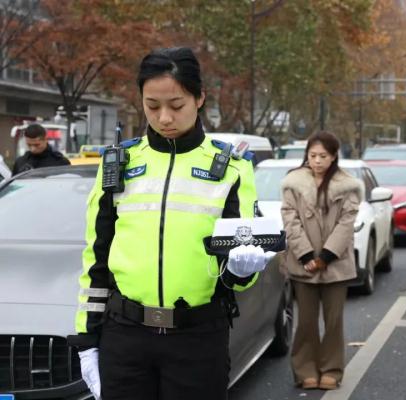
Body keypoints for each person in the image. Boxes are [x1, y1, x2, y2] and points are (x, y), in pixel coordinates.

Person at [68, 47, 271, 400]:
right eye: (152, 105)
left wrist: (241, 270)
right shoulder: (120, 164)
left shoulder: (233, 169)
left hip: (198, 338)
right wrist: (87, 338)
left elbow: (239, 266)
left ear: (199, 98)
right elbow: (97, 257)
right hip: (125, 337)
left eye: (176, 105)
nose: (164, 118)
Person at [280, 131, 361, 390]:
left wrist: (326, 256)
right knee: (305, 321)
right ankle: (305, 370)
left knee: (334, 321)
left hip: (336, 264)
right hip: (302, 263)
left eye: (322, 156)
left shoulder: (347, 185)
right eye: (312, 155)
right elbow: (289, 219)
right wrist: (305, 255)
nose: (316, 161)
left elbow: (347, 222)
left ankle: (332, 370)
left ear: (334, 156)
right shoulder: (293, 183)